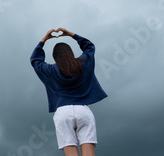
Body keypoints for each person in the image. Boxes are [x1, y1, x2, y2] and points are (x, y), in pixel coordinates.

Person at [30, 28, 107, 156]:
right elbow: (90, 47)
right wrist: (72, 35)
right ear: (70, 53)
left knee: (71, 152)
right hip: (83, 110)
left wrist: (44, 40)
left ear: (55, 56)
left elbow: (35, 60)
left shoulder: (50, 70)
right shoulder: (82, 63)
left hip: (63, 112)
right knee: (88, 151)